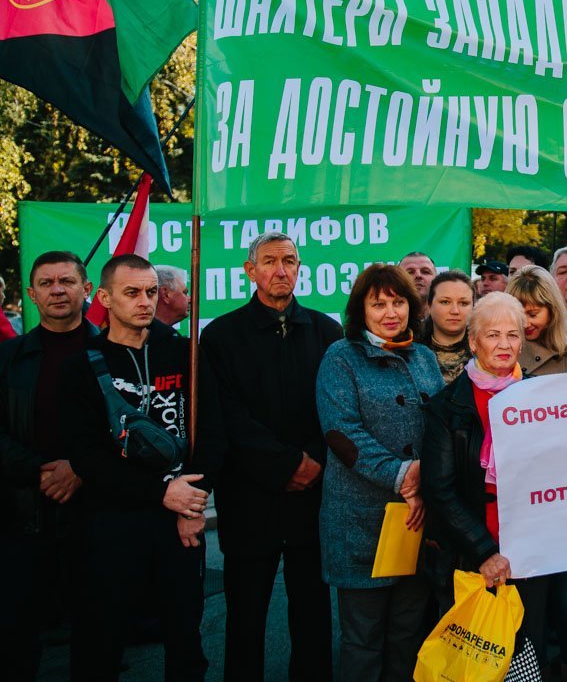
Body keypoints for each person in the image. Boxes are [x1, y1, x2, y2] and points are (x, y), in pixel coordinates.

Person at [61, 254, 219, 681]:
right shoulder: (81, 365)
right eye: (132, 293)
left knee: (185, 642)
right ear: (104, 298)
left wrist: (193, 505)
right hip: (111, 523)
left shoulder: (185, 353)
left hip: (179, 523)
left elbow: (211, 433)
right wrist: (161, 493)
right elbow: (85, 455)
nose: (145, 301)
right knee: (100, 643)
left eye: (150, 292)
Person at [200, 231, 343, 682]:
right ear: (250, 270)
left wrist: (314, 460)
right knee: (245, 617)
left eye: (289, 261)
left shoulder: (327, 332)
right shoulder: (220, 336)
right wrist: (283, 465)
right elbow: (224, 413)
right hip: (249, 494)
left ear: (300, 268)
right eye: (269, 261)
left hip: (313, 493)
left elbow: (337, 407)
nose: (281, 270)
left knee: (313, 615)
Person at [315, 264, 443, 681]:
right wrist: (404, 475)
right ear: (361, 310)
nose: (390, 313)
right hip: (361, 523)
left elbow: (440, 427)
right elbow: (341, 432)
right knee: (363, 639)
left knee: (407, 634)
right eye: (378, 304)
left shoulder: (424, 357)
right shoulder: (341, 357)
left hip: (415, 521)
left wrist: (430, 478)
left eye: (398, 302)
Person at [422, 293, 550, 661]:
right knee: (475, 659)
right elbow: (439, 489)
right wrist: (484, 551)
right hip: (471, 556)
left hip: (530, 555)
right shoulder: (447, 406)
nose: (504, 345)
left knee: (525, 654)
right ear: (474, 341)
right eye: (493, 335)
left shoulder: (543, 397)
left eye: (512, 335)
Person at [0, 251, 97, 680]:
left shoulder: (115, 352)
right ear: (32, 294)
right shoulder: (8, 358)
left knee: (96, 634)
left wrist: (80, 467)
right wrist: (37, 470)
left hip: (97, 512)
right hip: (23, 511)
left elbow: (134, 427)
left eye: (67, 281)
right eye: (47, 283)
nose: (58, 290)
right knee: (16, 635)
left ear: (87, 289)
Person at [505, 266, 567, 680]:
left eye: (535, 311)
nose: (527, 320)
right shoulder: (500, 349)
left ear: (553, 310)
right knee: (525, 602)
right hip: (519, 496)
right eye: (519, 310)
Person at [418, 270, 474, 385]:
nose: (455, 311)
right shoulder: (410, 353)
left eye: (463, 303)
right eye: (445, 302)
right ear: (429, 305)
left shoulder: (485, 352)